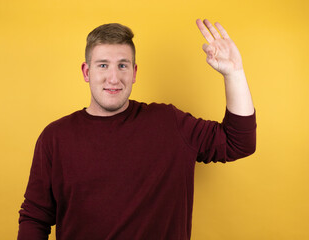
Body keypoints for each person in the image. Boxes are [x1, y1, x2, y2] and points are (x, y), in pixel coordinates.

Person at [18, 19, 256, 240]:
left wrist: (234, 74)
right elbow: (35, 218)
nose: (113, 78)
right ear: (86, 72)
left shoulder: (169, 123)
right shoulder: (55, 138)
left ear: (134, 73)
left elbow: (238, 142)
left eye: (123, 65)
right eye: (103, 65)